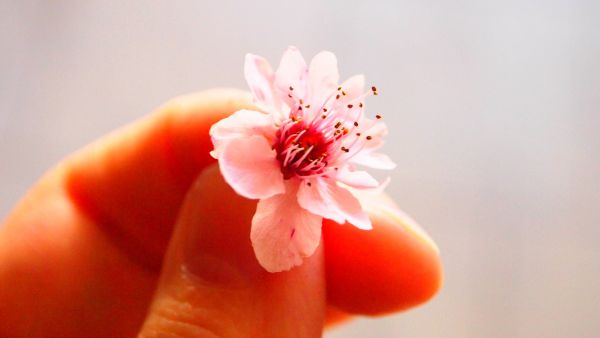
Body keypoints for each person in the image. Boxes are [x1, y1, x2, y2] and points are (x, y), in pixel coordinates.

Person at [0, 89, 442, 337]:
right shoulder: (259, 146)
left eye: (315, 149)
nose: (309, 146)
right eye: (302, 142)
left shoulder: (307, 182)